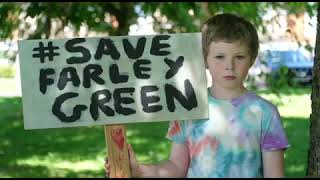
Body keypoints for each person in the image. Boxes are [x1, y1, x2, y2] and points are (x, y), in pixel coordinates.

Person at [104, 13, 289, 178]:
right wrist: (141, 171)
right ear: (204, 59)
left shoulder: (265, 113)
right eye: (219, 57)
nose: (229, 66)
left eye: (239, 57)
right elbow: (176, 167)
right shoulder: (188, 107)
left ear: (252, 58)